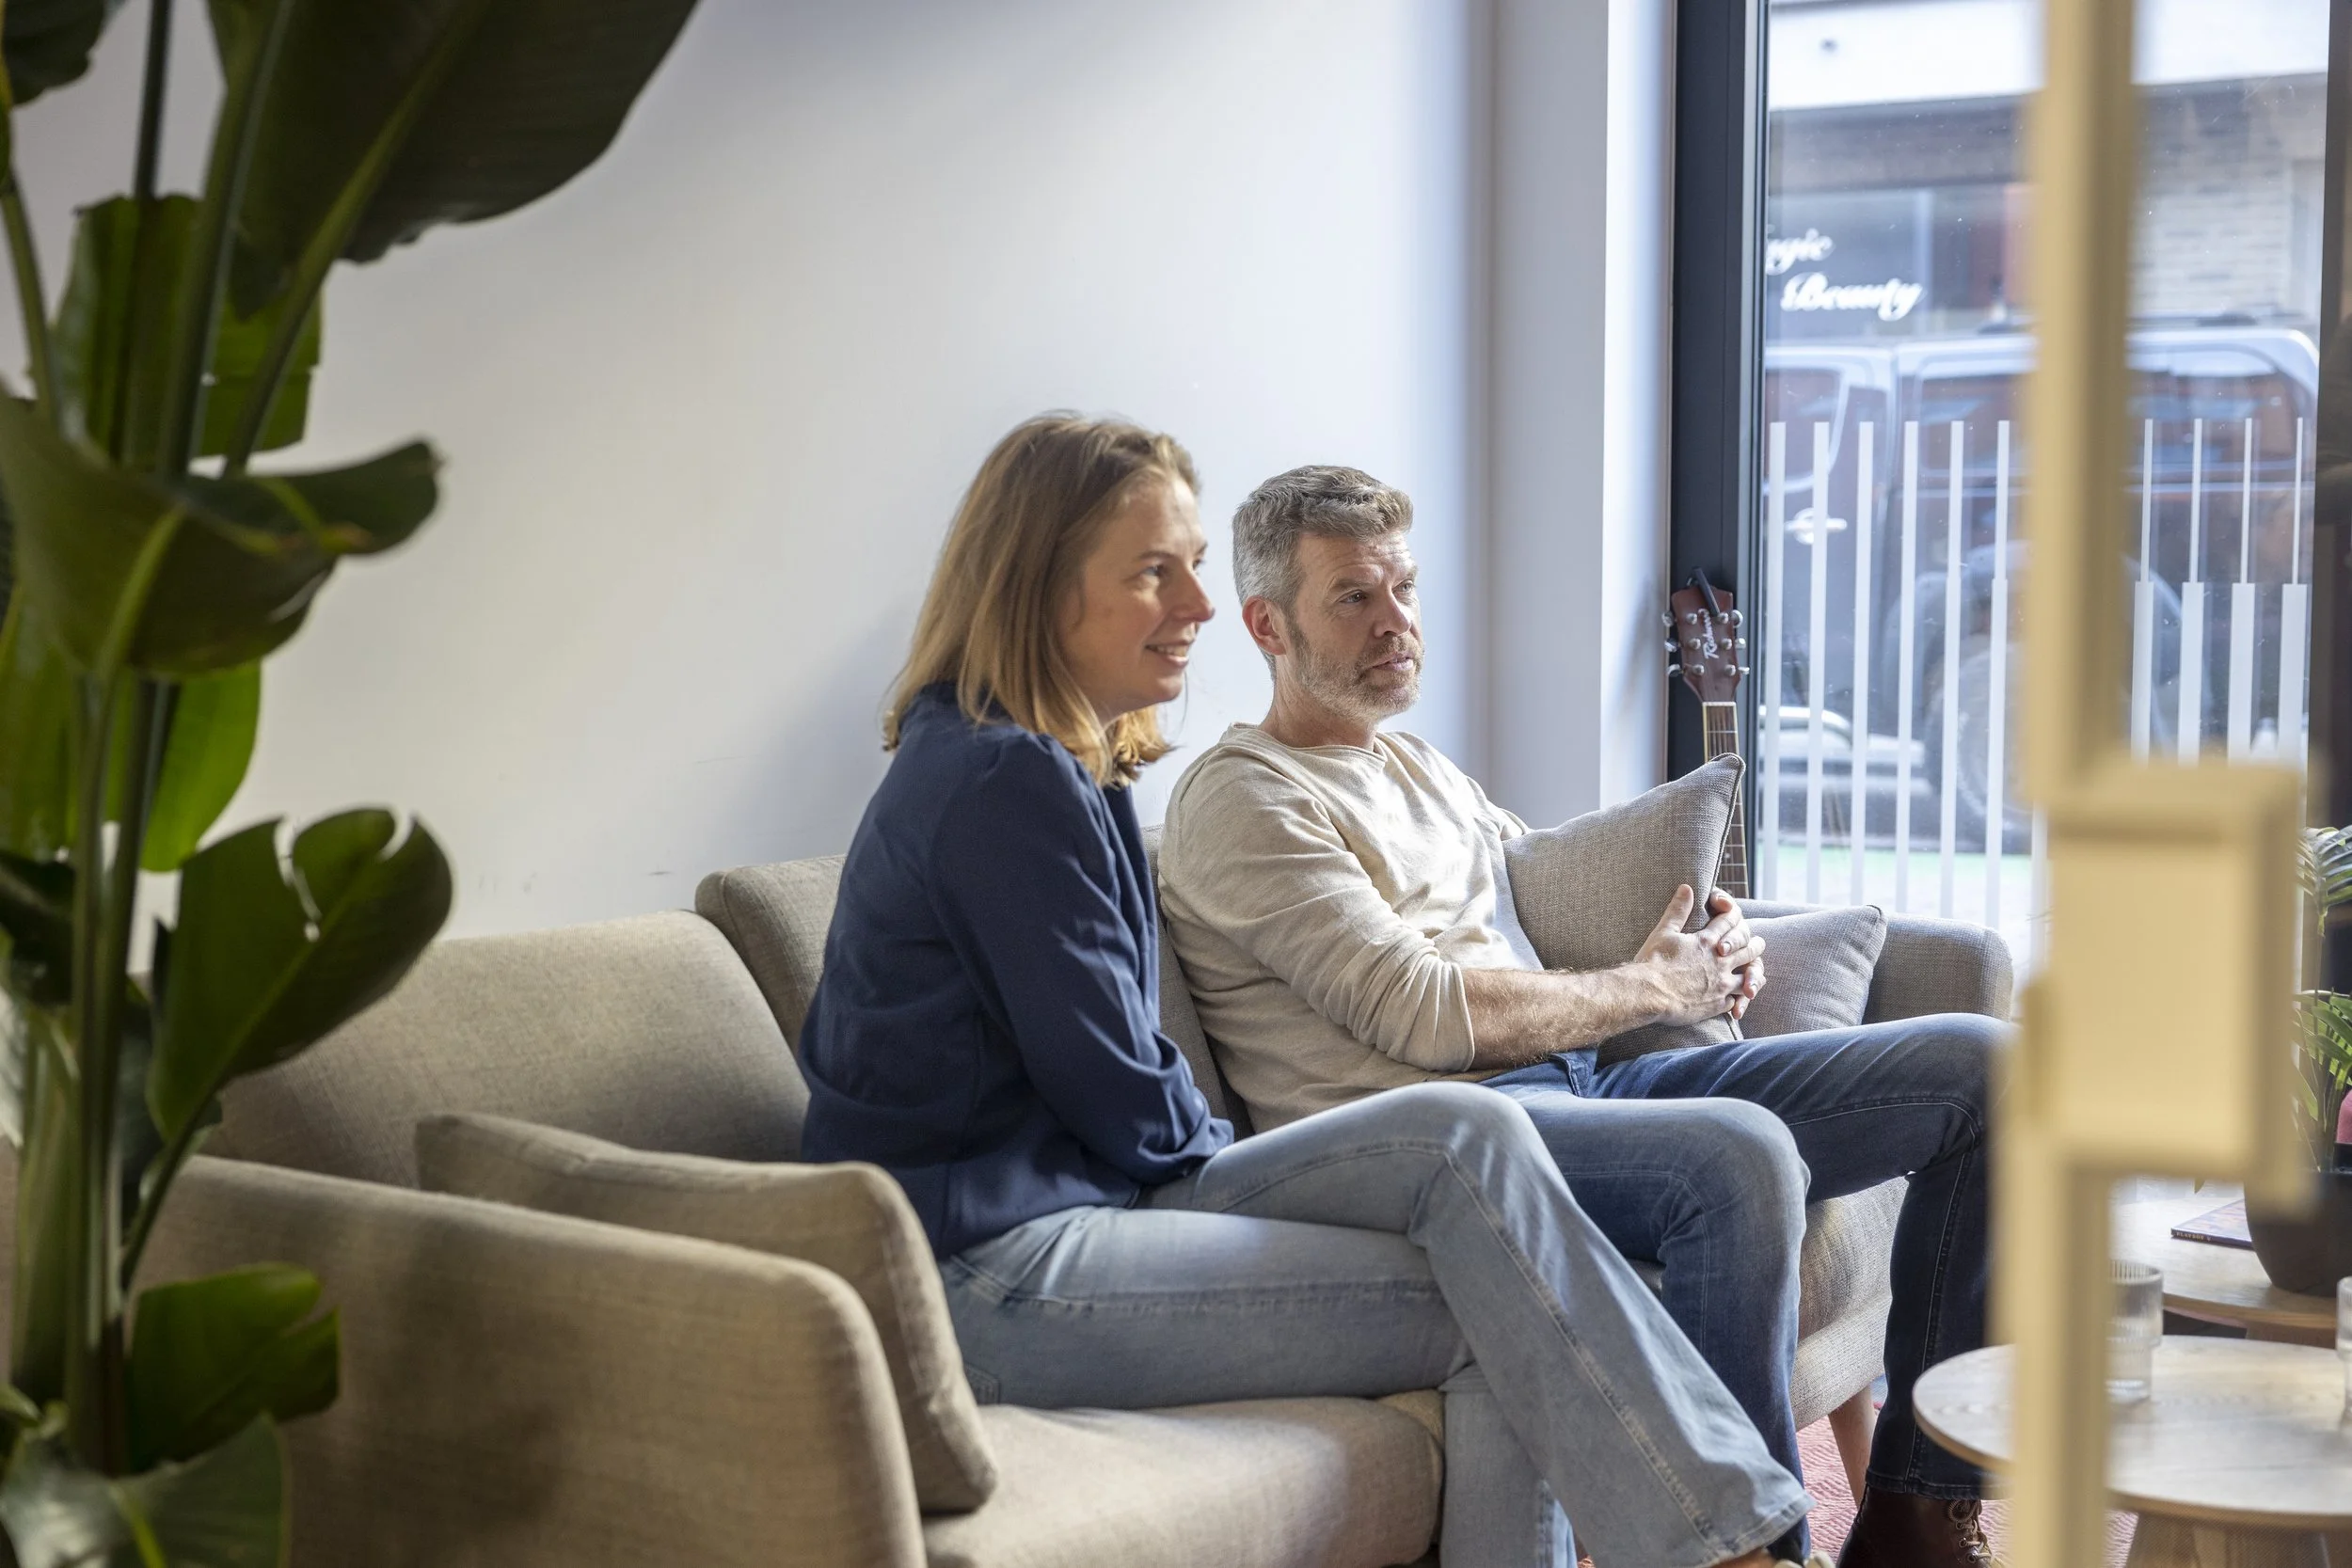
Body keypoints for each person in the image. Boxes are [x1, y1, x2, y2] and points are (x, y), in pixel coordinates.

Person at [796, 414, 1814, 1568]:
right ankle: (1742, 1547)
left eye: (1189, 565)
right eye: (1153, 570)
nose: (1193, 604)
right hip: (988, 1269)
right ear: (1038, 585)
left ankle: (1739, 1541)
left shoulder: (1038, 762)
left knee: (1473, 1159)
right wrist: (1244, 1164)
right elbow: (1119, 1090)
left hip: (1071, 1219)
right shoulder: (1000, 779)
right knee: (1497, 1255)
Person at [1154, 464, 2005, 1568]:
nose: (1397, 622)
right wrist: (1662, 987)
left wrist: (1708, 943)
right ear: (1268, 623)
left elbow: (1553, 922)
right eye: (1355, 597)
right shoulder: (1242, 796)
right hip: (1436, 1140)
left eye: (1405, 588)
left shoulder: (1419, 766)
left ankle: (1913, 1514)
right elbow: (1426, 1013)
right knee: (1734, 1156)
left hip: (1584, 1085)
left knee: (1988, 1067)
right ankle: (1757, 1548)